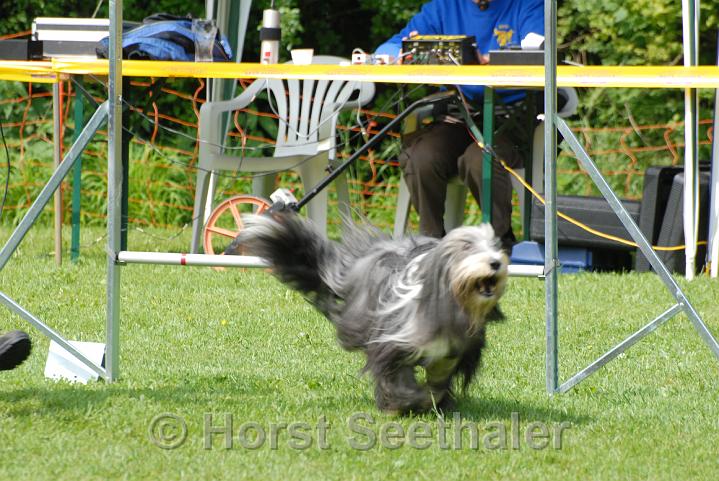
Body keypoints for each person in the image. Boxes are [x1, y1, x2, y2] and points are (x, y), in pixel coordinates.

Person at [376, 0, 544, 250]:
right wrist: (399, 54)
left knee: (480, 159)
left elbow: (538, 51)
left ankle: (498, 243)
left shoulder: (528, 5)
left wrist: (490, 60)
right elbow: (389, 48)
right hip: (458, 116)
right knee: (421, 155)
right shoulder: (443, 7)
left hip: (511, 118)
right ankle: (432, 245)